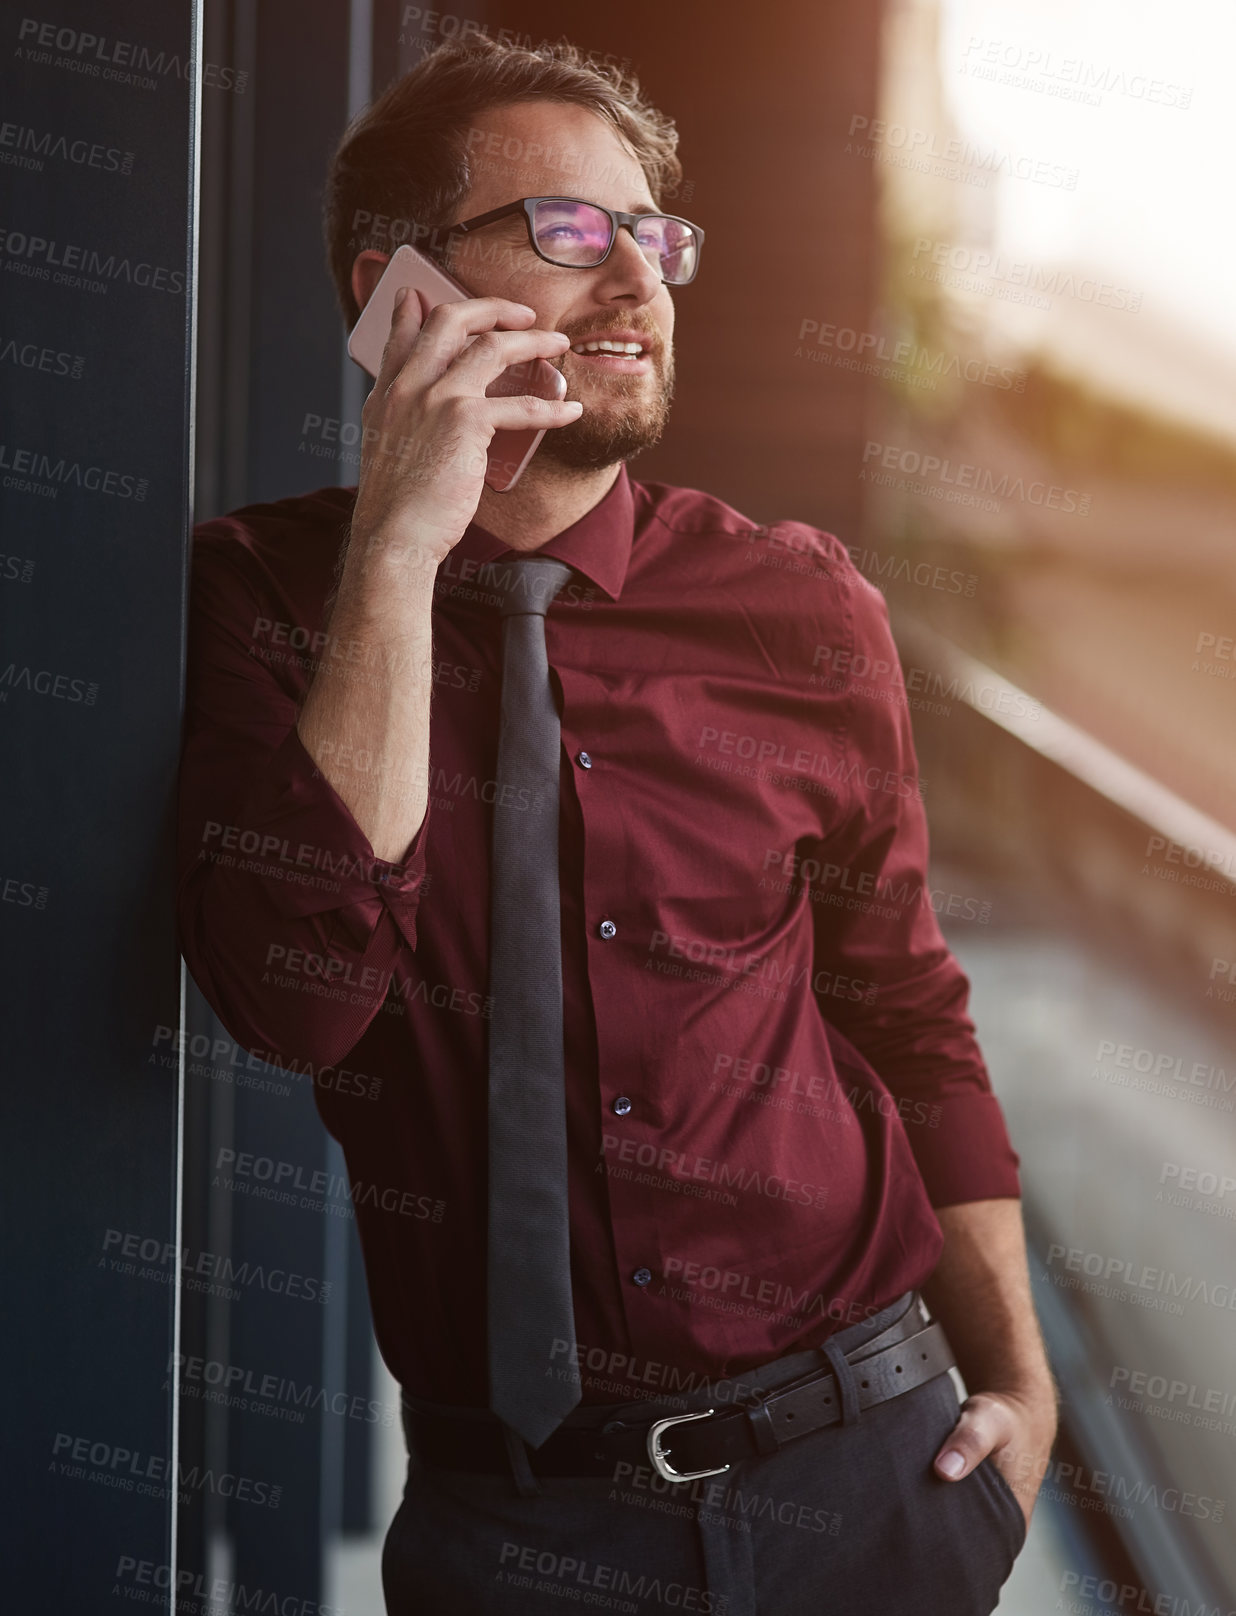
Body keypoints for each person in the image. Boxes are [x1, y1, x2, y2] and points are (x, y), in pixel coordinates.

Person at [177, 35, 1057, 1615]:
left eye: (654, 235)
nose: (637, 279)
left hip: (870, 1476)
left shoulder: (799, 605)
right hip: (512, 1534)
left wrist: (1023, 1393)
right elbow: (300, 1002)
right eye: (569, 232)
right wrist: (394, 556)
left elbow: (909, 1012)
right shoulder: (257, 597)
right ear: (398, 292)